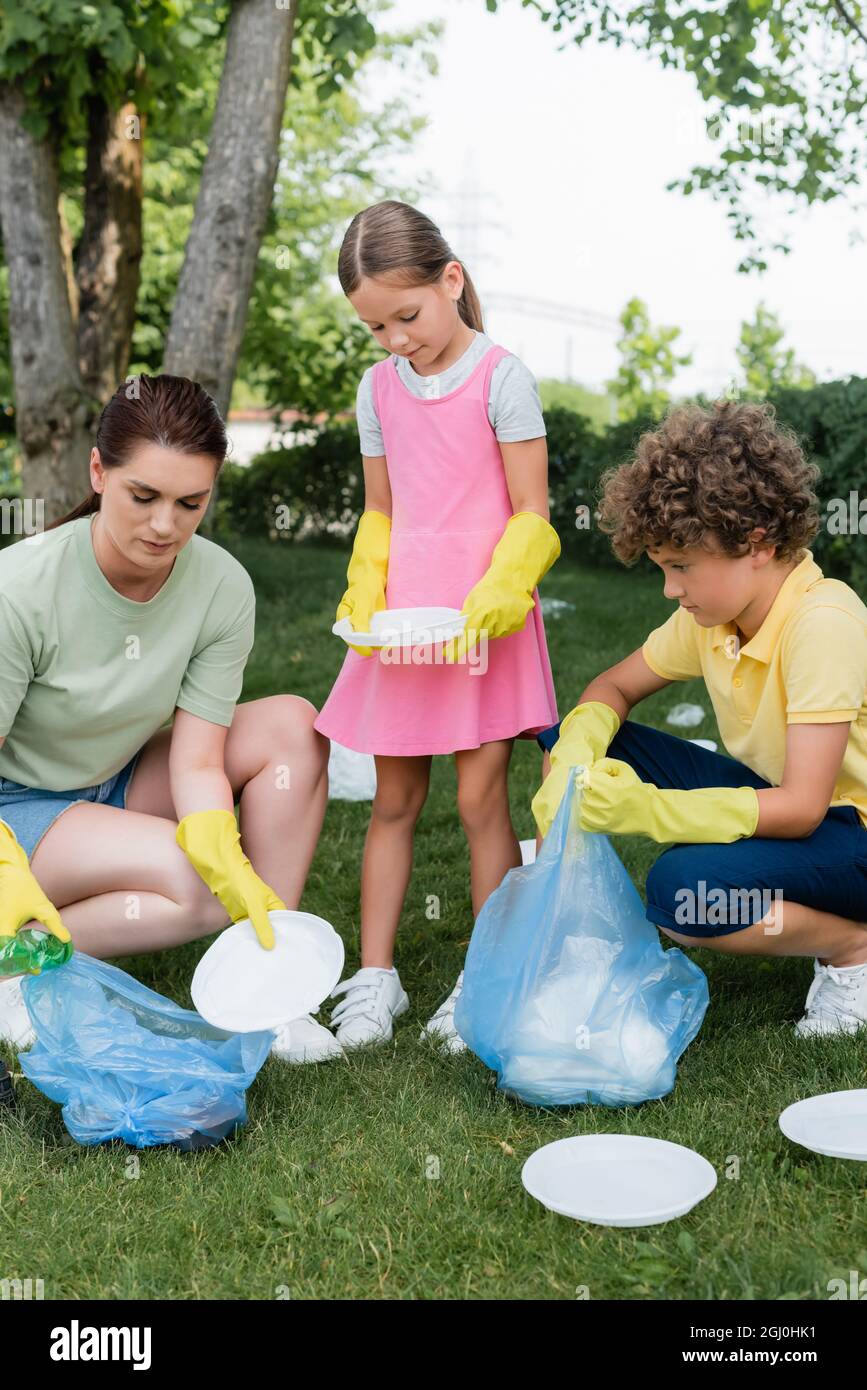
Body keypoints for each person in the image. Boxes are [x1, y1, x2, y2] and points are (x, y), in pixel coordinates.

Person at [0, 374, 334, 1063]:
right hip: (15, 811)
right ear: (98, 472)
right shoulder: (21, 588)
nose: (164, 526)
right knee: (194, 886)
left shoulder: (219, 585)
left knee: (293, 728)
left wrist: (221, 841)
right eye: (143, 496)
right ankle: (17, 964)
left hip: (109, 781)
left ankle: (274, 986)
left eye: (191, 503)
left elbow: (196, 760)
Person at [532, 399, 867, 1038]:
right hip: (792, 808)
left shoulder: (823, 623)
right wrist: (577, 751)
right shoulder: (713, 619)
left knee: (686, 897)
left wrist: (650, 812)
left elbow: (801, 808)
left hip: (855, 835)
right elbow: (613, 686)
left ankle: (853, 950)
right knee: (568, 736)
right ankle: (564, 941)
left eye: (682, 567)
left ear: (757, 544)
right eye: (663, 568)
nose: (670, 590)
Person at [313, 200, 560, 1053]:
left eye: (405, 316)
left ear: (449, 279)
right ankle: (376, 977)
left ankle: (483, 980)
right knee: (393, 800)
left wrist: (504, 587)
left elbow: (534, 513)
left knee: (477, 797)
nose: (393, 340)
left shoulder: (503, 379)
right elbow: (381, 508)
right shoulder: (377, 389)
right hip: (407, 625)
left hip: (483, 623)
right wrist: (364, 573)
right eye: (374, 326)